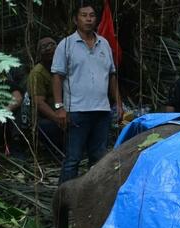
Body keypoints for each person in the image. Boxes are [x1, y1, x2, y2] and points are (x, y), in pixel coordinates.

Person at [52, 2, 122, 183]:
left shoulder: (104, 43)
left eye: (91, 15)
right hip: (76, 110)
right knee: (72, 159)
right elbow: (57, 77)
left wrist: (119, 104)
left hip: (102, 111)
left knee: (98, 159)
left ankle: (91, 200)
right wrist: (59, 107)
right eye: (84, 15)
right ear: (76, 19)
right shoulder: (66, 44)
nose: (88, 19)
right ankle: (63, 202)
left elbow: (112, 76)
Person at [28, 37, 64, 154]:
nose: (49, 49)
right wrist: (56, 118)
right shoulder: (37, 73)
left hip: (65, 111)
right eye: (44, 47)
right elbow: (39, 102)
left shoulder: (63, 67)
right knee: (49, 127)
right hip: (47, 118)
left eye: (52, 45)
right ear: (39, 53)